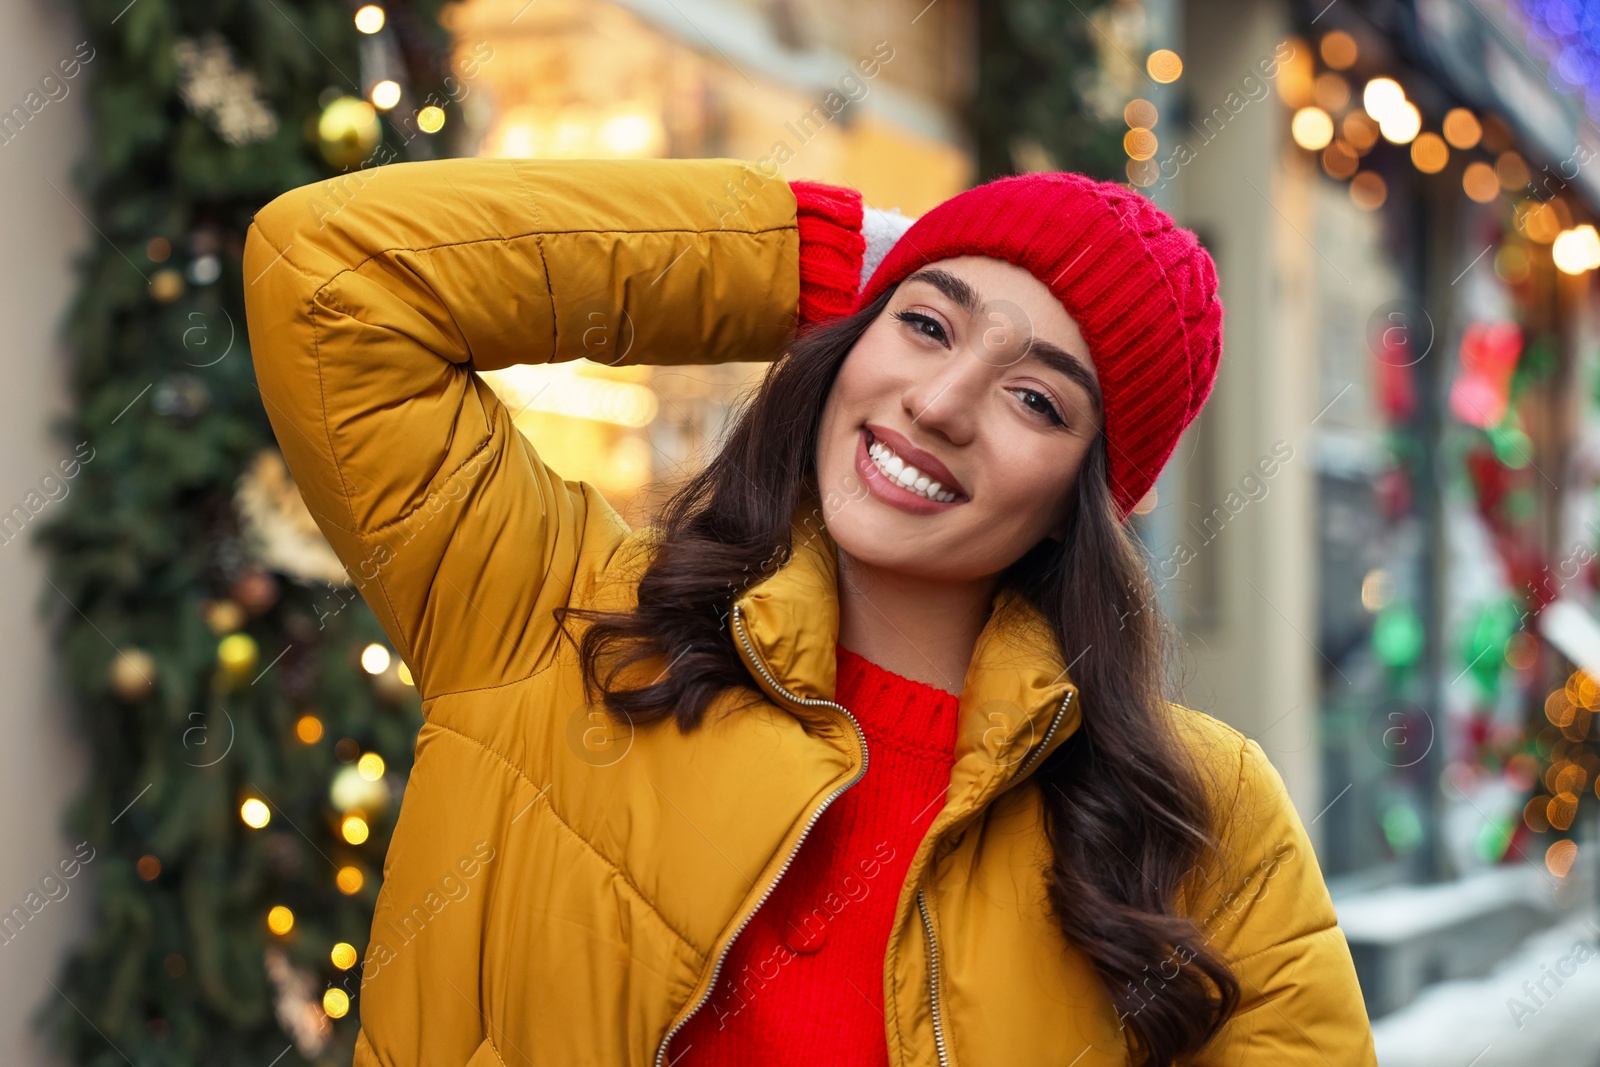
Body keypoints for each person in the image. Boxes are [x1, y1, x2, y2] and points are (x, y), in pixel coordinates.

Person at [242, 156, 1377, 1067]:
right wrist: (818, 258)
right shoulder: (552, 610)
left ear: (1082, 499)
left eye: (1033, 396)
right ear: (847, 335)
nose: (937, 403)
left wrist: (912, 293)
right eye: (925, 324)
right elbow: (331, 276)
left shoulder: (1198, 813)